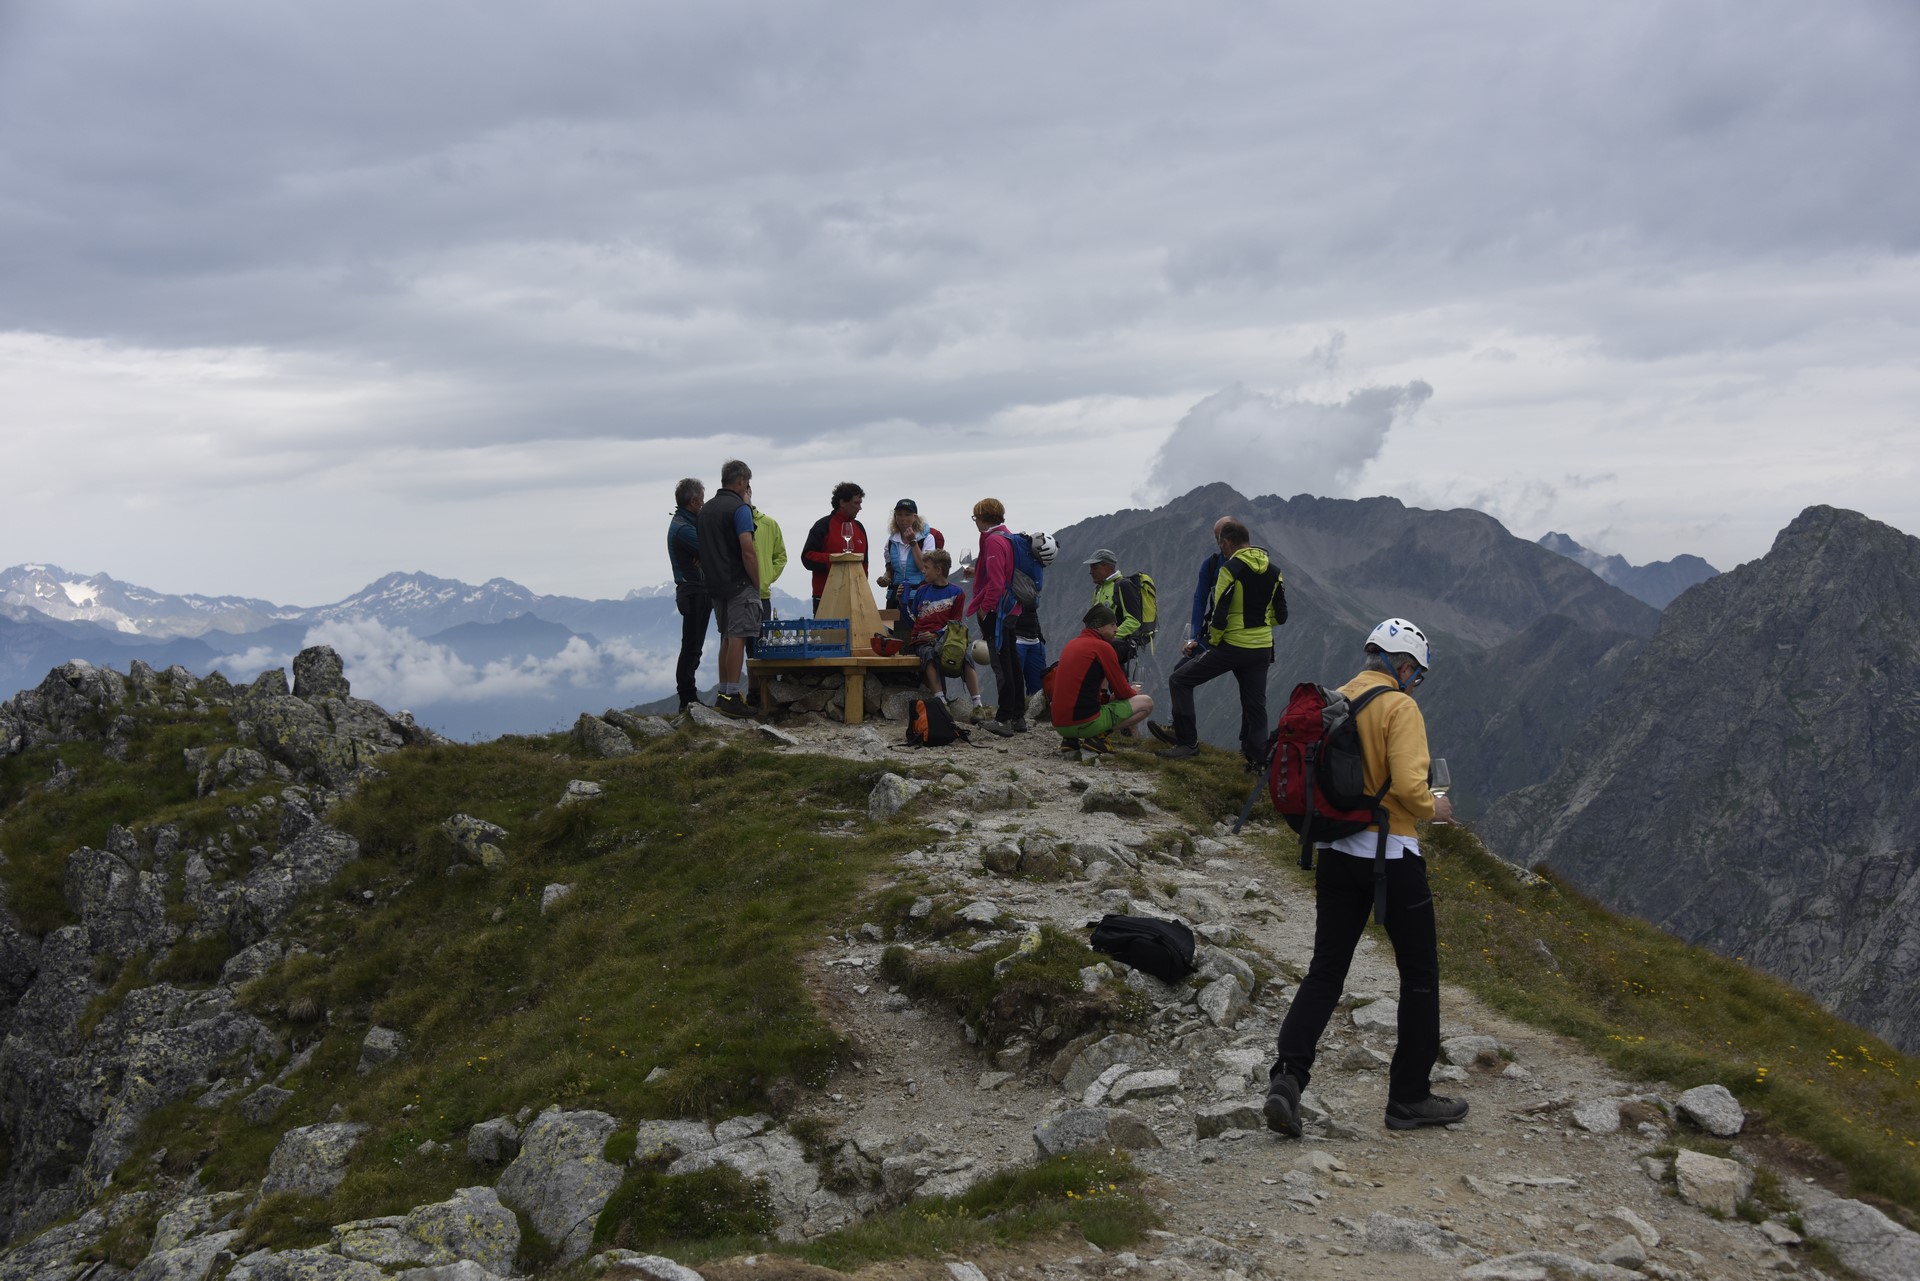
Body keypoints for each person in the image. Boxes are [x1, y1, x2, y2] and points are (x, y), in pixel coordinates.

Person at [1263, 618, 1466, 1136]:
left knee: (1326, 971)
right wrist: (1436, 808)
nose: (1415, 682)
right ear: (1403, 666)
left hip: (1334, 852)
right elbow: (1408, 786)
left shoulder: (1336, 698)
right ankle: (1409, 1099)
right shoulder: (1400, 706)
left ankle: (1287, 1078)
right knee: (1419, 976)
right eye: (1416, 674)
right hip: (1391, 854)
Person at [1163, 519, 1284, 768]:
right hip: (1261, 648)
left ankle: (1188, 743)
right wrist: (1260, 625)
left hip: (1232, 646)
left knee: (1180, 680)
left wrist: (1212, 642)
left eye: (1222, 545)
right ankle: (1257, 762)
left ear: (1227, 542)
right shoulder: (1274, 570)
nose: (1222, 550)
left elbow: (1219, 614)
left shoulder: (1230, 568)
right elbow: (1280, 616)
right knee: (1256, 705)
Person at [1146, 517, 1231, 744]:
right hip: (1216, 637)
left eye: (1222, 537)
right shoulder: (1212, 564)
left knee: (1251, 696)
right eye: (1217, 537)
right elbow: (1199, 599)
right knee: (1179, 672)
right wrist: (1193, 637)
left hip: (1235, 640)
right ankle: (1180, 731)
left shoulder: (1247, 566)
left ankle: (1252, 754)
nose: (1219, 542)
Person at [694, 459, 760, 717]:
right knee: (738, 638)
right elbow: (748, 550)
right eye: (747, 483)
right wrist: (756, 582)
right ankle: (732, 695)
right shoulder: (740, 509)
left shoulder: (706, 509)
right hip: (739, 583)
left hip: (714, 585)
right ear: (742, 481)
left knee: (725, 637)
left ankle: (724, 691)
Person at [964, 497, 1030, 735]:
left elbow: (996, 582)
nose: (975, 522)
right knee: (1012, 663)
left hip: (997, 612)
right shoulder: (1009, 537)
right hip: (1013, 608)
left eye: (975, 518)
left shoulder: (992, 541)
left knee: (1001, 665)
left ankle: (1003, 720)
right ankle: (1018, 717)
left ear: (982, 518)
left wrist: (985, 608)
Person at [1051, 604, 1153, 754]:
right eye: (1112, 625)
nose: (1116, 629)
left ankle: (1070, 740)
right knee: (1146, 703)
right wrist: (1133, 690)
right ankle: (1098, 737)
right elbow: (1123, 693)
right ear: (1098, 627)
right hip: (1084, 723)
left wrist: (1106, 697)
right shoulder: (1103, 647)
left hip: (1059, 724)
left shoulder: (1071, 644)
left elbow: (1081, 689)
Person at [900, 549, 983, 718]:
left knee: (965, 658)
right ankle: (941, 702)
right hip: (921, 639)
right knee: (929, 655)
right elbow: (914, 618)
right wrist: (902, 603)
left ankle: (978, 705)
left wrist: (937, 634)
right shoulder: (922, 591)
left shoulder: (957, 593)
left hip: (945, 638)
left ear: (938, 570)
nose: (923, 570)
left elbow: (956, 622)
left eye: (926, 567)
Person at [667, 478, 708, 713]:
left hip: (694, 591)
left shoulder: (686, 523)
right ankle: (687, 698)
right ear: (693, 501)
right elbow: (711, 550)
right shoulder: (684, 528)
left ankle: (689, 696)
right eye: (701, 499)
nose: (703, 504)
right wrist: (706, 555)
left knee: (693, 646)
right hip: (694, 591)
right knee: (691, 647)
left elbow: (705, 551)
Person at [801, 482, 868, 613]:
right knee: (825, 634)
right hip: (825, 596)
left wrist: (863, 592)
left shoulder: (859, 528)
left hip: (855, 596)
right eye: (856, 503)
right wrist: (834, 560)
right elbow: (807, 557)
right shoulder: (823, 525)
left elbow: (864, 564)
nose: (859, 508)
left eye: (860, 503)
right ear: (842, 502)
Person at [1084, 548, 1146, 667]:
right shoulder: (1098, 589)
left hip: (1118, 644)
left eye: (1094, 567)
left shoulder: (1124, 585)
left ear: (1107, 567)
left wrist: (1110, 636)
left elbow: (1134, 621)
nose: (1090, 572)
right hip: (1102, 644)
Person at [876, 498, 935, 612]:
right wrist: (885, 578)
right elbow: (890, 569)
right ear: (895, 517)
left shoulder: (927, 539)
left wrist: (913, 542)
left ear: (915, 517)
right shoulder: (891, 541)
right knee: (894, 629)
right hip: (895, 597)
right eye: (899, 514)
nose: (903, 519)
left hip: (919, 595)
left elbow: (924, 568)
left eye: (907, 515)